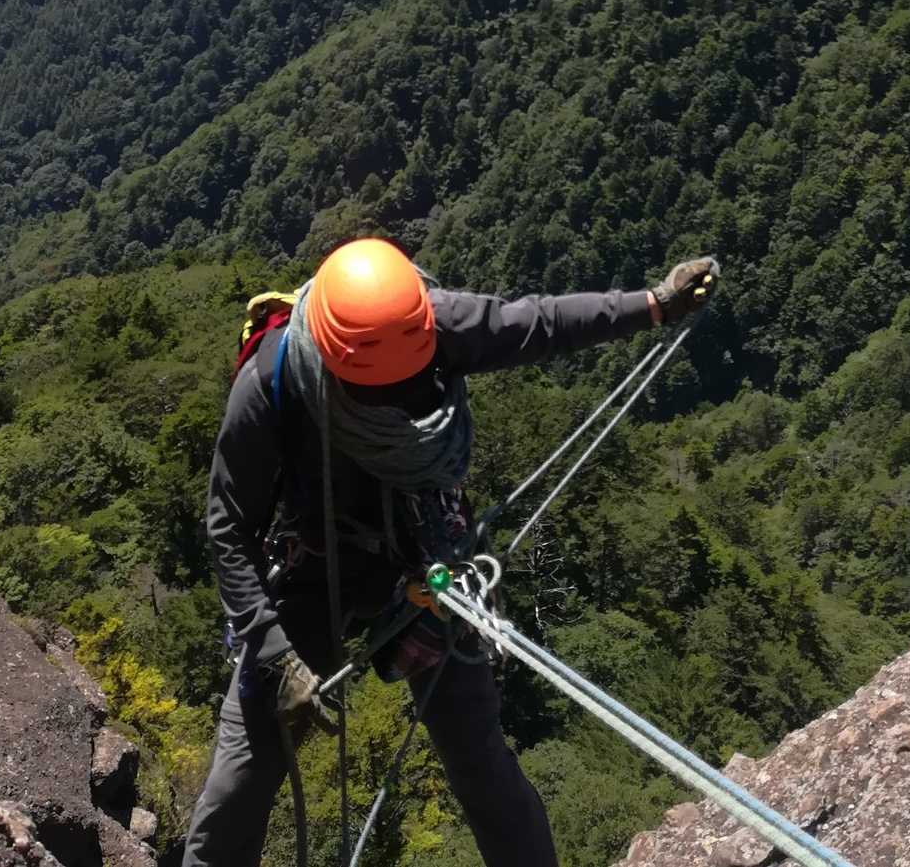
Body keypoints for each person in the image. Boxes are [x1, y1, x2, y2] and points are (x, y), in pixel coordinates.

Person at [183, 238, 719, 867]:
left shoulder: (431, 325)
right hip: (317, 563)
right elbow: (229, 525)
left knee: (477, 756)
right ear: (336, 359)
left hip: (428, 551)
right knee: (241, 780)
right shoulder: (273, 378)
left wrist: (654, 304)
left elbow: (537, 323)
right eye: (379, 388)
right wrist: (272, 653)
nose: (399, 393)